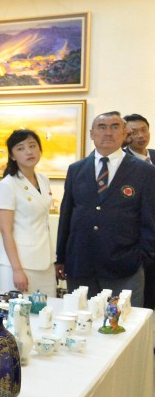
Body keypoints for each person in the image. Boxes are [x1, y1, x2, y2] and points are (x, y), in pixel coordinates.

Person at [56, 111, 155, 308]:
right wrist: (61, 257)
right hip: (81, 265)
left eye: (115, 127)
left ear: (125, 133)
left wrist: (142, 259)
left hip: (124, 267)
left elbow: (149, 221)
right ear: (92, 134)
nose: (108, 133)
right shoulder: (76, 169)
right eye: (102, 127)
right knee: (81, 326)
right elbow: (66, 216)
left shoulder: (144, 171)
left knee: (124, 328)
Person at [0, 130, 56, 296]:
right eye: (20, 148)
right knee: (18, 315)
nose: (29, 151)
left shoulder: (43, 179)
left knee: (46, 313)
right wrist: (17, 270)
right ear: (12, 156)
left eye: (32, 146)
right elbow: (5, 230)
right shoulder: (8, 184)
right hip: (19, 262)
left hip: (45, 259)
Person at [124, 114, 155, 307]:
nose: (140, 136)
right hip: (139, 242)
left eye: (144, 130)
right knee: (141, 300)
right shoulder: (123, 164)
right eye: (133, 132)